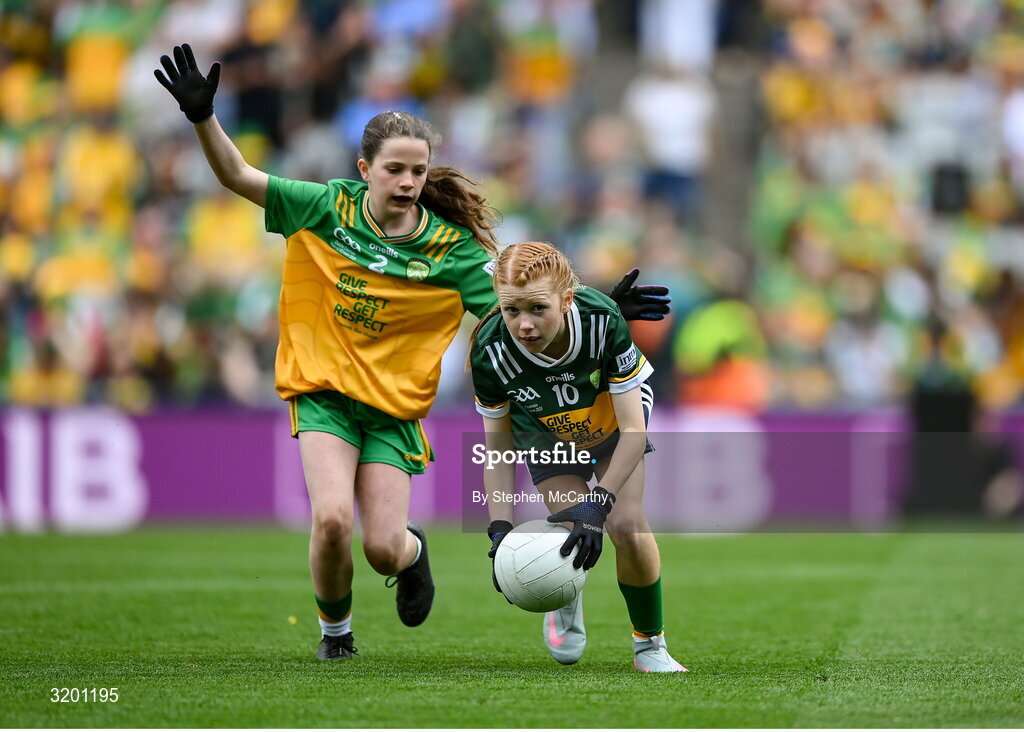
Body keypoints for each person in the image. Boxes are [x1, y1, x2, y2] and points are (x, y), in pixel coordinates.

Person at [154, 45, 671, 661]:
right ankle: (336, 637)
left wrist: (594, 301)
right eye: (395, 169)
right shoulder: (324, 208)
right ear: (365, 168)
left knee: (382, 548)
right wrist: (203, 118)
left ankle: (413, 552)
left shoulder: (452, 251)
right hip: (323, 392)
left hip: (392, 409)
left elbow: (523, 293)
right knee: (331, 521)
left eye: (418, 171)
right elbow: (239, 175)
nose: (407, 181)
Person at [471, 241, 687, 673]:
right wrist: (499, 528)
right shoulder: (489, 351)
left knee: (626, 524)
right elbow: (496, 449)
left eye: (538, 308)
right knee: (571, 527)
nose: (524, 324)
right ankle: (561, 593)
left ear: (566, 298)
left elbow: (633, 431)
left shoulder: (603, 320)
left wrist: (600, 502)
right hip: (543, 427)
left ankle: (649, 647)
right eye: (512, 310)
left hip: (612, 418)